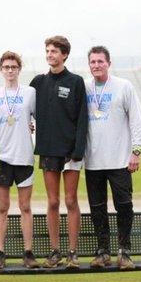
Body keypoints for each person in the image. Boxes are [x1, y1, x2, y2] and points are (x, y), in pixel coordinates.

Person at [85, 46, 141, 270]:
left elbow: (137, 120)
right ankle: (103, 251)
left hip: (120, 160)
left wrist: (136, 151)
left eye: (100, 61)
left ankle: (124, 251)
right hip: (93, 161)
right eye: (92, 62)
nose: (96, 65)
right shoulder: (84, 87)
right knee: (97, 208)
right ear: (89, 65)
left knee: (124, 206)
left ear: (108, 63)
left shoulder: (124, 86)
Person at [29, 36, 88, 269]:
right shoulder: (38, 82)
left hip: (70, 151)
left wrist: (78, 150)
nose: (50, 54)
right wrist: (28, 122)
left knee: (71, 200)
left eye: (54, 51)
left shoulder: (75, 81)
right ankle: (55, 252)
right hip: (47, 150)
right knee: (52, 202)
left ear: (64, 54)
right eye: (47, 50)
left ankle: (73, 253)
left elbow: (83, 118)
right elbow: (25, 107)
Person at [0, 51, 39, 269]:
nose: (10, 70)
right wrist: (1, 127)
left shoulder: (30, 93)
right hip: (2, 156)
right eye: (6, 67)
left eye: (13, 67)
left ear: (19, 69)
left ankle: (28, 253)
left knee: (25, 206)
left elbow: (39, 118)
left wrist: (31, 125)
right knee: (2, 207)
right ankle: (0, 253)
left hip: (24, 157)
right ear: (1, 69)